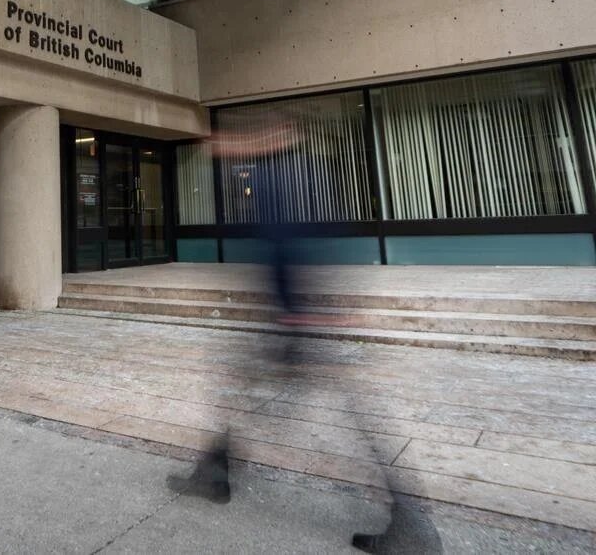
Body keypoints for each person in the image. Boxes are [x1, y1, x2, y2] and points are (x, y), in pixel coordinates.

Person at [165, 108, 441, 553]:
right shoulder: (295, 172)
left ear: (285, 135)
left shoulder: (286, 178)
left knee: (349, 412)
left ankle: (412, 526)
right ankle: (213, 473)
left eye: (269, 132)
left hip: (296, 316)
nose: (257, 139)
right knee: (246, 389)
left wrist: (299, 312)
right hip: (295, 313)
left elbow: (288, 241)